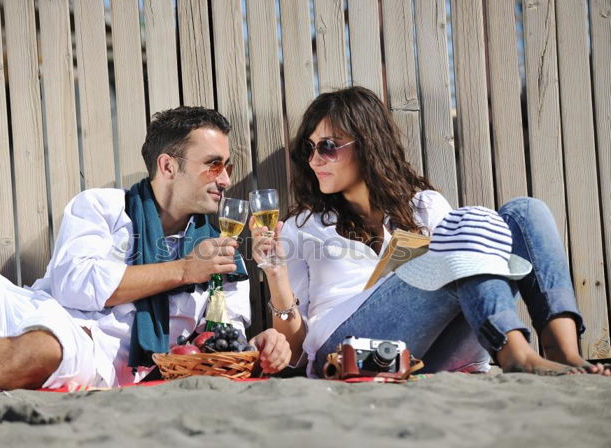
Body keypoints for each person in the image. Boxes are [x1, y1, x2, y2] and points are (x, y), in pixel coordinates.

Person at [0, 106, 291, 393]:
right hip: (20, 309)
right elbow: (74, 285)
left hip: (87, 350)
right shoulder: (102, 207)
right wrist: (185, 269)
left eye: (228, 166)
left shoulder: (220, 250)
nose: (226, 179)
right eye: (213, 165)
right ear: (168, 166)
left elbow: (224, 337)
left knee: (49, 347)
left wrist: (260, 342)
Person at [249, 86, 609, 377]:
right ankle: (512, 350)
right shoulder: (303, 225)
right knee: (466, 226)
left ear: (368, 144)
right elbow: (295, 352)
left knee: (525, 211)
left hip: (437, 351)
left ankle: (563, 351)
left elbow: (471, 267)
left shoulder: (425, 205)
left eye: (328, 146)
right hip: (347, 349)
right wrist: (277, 276)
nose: (314, 159)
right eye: (309, 148)